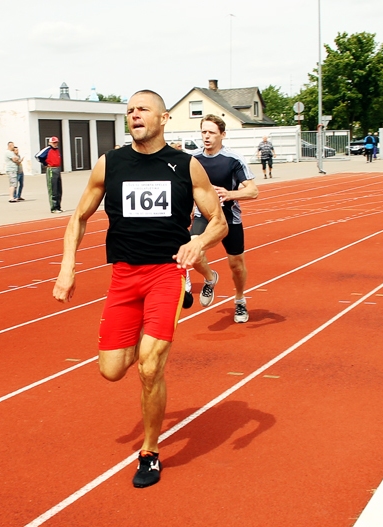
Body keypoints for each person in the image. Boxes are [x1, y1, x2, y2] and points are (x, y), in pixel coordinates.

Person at [52, 90, 227, 488]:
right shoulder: (110, 163)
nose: (134, 115)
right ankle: (143, 343)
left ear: (163, 118)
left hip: (166, 274)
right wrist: (67, 267)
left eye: (143, 109)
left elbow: (218, 221)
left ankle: (149, 452)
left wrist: (199, 242)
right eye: (129, 110)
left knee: (150, 367)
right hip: (124, 277)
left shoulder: (186, 166)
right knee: (112, 370)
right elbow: (78, 217)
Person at [191, 114, 259, 323]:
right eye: (204, 132)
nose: (206, 136)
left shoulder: (233, 159)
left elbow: (253, 191)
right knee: (194, 252)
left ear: (222, 135)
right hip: (204, 216)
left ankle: (240, 300)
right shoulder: (193, 159)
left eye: (211, 132)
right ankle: (210, 278)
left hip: (230, 218)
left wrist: (230, 194)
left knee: (236, 265)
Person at [38, 137, 63, 213]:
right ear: (50, 143)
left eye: (56, 142)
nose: (55, 144)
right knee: (53, 189)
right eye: (54, 143)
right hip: (51, 169)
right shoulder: (47, 149)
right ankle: (54, 208)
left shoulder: (57, 150)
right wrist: (45, 163)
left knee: (59, 189)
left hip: (57, 169)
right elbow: (38, 156)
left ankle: (58, 207)